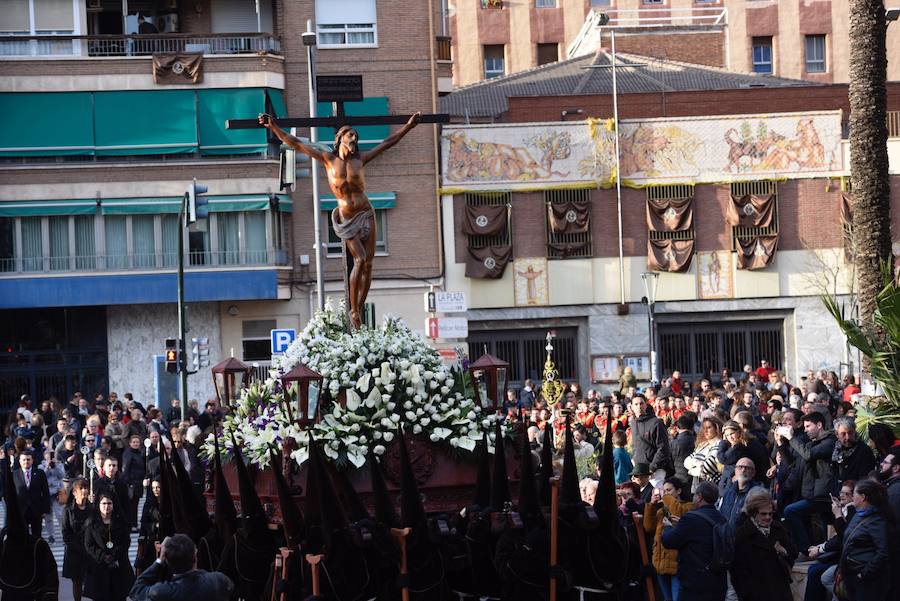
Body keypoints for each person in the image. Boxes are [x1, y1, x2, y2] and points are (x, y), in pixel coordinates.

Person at [259, 110, 421, 328]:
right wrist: (274, 128)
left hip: (366, 212)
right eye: (350, 135)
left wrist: (409, 126)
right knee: (360, 260)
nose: (354, 138)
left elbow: (388, 142)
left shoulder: (360, 160)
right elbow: (295, 143)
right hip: (346, 217)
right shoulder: (328, 159)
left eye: (356, 136)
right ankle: (354, 311)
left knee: (369, 265)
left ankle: (359, 308)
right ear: (341, 139)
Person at [661, 481, 728, 601]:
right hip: (718, 583)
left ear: (700, 496)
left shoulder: (690, 518)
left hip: (695, 584)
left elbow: (669, 541)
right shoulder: (722, 519)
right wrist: (681, 524)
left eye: (695, 494)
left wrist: (668, 527)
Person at [781, 412, 836, 552]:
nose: (805, 430)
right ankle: (816, 551)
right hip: (813, 493)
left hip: (823, 494)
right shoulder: (812, 443)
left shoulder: (829, 441)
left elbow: (808, 455)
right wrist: (782, 445)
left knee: (791, 511)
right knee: (827, 526)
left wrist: (791, 437)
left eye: (808, 426)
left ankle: (807, 550)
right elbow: (795, 463)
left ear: (819, 425)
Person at [731, 490, 797, 601]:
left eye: (770, 514)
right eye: (763, 514)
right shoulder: (744, 534)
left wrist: (783, 551)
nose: (768, 517)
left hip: (780, 590)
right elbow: (738, 570)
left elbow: (793, 553)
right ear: (753, 513)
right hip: (756, 592)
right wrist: (747, 594)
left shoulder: (778, 529)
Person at [129, 533, 234, 601]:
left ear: (168, 561)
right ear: (195, 556)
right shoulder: (217, 581)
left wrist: (160, 560)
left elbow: (136, 590)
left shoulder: (162, 592)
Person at [838, 480, 893, 601]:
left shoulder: (877, 520)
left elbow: (883, 552)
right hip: (850, 574)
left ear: (863, 497)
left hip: (866, 580)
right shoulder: (858, 514)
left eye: (854, 494)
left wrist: (863, 574)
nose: (852, 497)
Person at [644, 476, 693, 601]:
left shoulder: (688, 506)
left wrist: (666, 498)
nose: (665, 494)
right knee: (667, 599)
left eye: (669, 490)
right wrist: (651, 505)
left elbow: (678, 511)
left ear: (679, 491)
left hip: (677, 563)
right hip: (660, 560)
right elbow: (648, 527)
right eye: (664, 491)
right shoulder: (661, 510)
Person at [83, 492, 134, 601]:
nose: (106, 506)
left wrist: (114, 555)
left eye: (109, 503)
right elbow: (89, 545)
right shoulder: (91, 523)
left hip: (118, 566)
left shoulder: (121, 521)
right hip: (99, 567)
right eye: (104, 503)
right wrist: (103, 556)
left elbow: (126, 542)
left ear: (114, 504)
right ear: (98, 505)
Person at [629, 394, 674, 489]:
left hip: (655, 471)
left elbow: (663, 448)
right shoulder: (633, 422)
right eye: (636, 404)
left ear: (646, 405)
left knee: (656, 498)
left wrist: (652, 467)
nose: (639, 406)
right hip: (639, 470)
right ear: (632, 407)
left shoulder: (656, 423)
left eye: (641, 403)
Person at [62, 477, 93, 601]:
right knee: (77, 581)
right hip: (74, 551)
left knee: (92, 580)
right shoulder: (68, 510)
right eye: (81, 488)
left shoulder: (93, 509)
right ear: (74, 492)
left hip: (91, 550)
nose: (84, 491)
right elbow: (65, 533)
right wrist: (78, 547)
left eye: (86, 488)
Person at [11, 449, 51, 538]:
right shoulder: (14, 475)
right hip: (21, 510)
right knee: (22, 536)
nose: (26, 462)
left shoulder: (40, 473)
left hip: (36, 510)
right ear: (20, 461)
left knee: (37, 536)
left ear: (32, 460)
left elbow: (45, 492)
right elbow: (10, 495)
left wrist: (45, 510)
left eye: (28, 459)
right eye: (24, 460)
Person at [832, 416, 875, 485]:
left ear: (855, 432)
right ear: (837, 434)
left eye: (850, 433)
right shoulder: (834, 449)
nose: (847, 437)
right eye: (843, 434)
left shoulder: (864, 451)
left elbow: (865, 478)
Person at [684, 416, 724, 491]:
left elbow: (708, 466)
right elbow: (686, 462)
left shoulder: (719, 443)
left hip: (712, 487)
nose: (705, 431)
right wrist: (698, 463)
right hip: (698, 486)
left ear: (716, 428)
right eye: (704, 428)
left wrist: (691, 470)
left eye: (709, 427)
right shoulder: (702, 445)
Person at [121, 434, 146, 529]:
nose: (136, 444)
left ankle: (134, 524)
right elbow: (126, 469)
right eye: (134, 442)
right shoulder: (128, 453)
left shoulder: (139, 453)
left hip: (138, 483)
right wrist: (128, 483)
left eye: (137, 442)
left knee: (135, 504)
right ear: (130, 443)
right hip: (132, 483)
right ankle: (132, 524)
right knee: (131, 505)